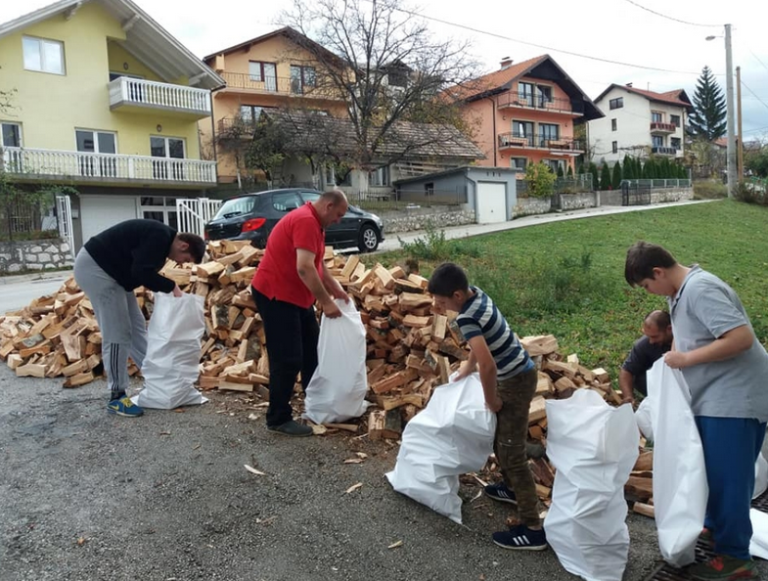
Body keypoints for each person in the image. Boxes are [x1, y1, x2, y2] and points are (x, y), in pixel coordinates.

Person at [625, 241, 768, 581]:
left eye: (646, 285)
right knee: (711, 473)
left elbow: (741, 338)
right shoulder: (677, 295)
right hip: (713, 398)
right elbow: (689, 336)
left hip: (735, 400)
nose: (648, 292)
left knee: (729, 480)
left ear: (658, 272)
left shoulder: (701, 289)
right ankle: (714, 529)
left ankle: (735, 560)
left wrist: (686, 359)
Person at [427, 262, 546, 551]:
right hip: (518, 374)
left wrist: (491, 400)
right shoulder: (477, 295)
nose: (438, 307)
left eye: (441, 302)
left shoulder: (466, 317)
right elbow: (480, 347)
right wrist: (468, 368)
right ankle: (512, 489)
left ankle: (533, 529)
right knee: (501, 440)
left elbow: (488, 365)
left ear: (457, 295)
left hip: (514, 381)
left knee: (512, 452)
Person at [73, 219, 206, 418]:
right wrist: (172, 287)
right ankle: (117, 396)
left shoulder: (163, 240)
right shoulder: (160, 237)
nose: (180, 263)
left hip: (115, 275)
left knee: (136, 326)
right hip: (96, 269)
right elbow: (142, 272)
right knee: (118, 333)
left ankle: (158, 382)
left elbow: (141, 270)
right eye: (185, 259)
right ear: (183, 245)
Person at [251, 189, 350, 437]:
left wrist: (335, 288)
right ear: (328, 206)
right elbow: (304, 267)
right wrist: (326, 302)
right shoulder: (306, 221)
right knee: (287, 358)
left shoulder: (315, 222)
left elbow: (317, 262)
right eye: (338, 215)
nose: (338, 220)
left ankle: (315, 402)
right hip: (276, 294)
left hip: (296, 296)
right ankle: (278, 418)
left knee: (312, 351)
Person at [618, 310, 673, 404]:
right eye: (648, 336)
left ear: (669, 329)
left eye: (655, 337)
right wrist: (628, 396)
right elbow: (626, 372)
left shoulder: (686, 341)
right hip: (660, 385)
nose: (651, 341)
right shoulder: (644, 344)